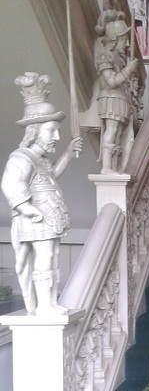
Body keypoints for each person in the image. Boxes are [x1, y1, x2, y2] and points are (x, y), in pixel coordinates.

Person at [1, 73, 83, 315]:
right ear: (35, 130)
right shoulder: (22, 157)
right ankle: (44, 305)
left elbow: (51, 175)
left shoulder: (41, 159)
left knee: (53, 255)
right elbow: (10, 183)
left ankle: (49, 302)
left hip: (49, 215)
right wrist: (26, 208)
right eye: (51, 131)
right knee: (45, 256)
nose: (56, 136)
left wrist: (67, 153)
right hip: (36, 216)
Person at [94, 10, 138, 175]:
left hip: (119, 99)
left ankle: (112, 166)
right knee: (111, 131)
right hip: (110, 98)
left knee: (118, 134)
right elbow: (111, 81)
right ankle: (106, 167)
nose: (126, 44)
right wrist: (128, 70)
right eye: (124, 39)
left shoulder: (118, 57)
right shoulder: (105, 56)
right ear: (114, 39)